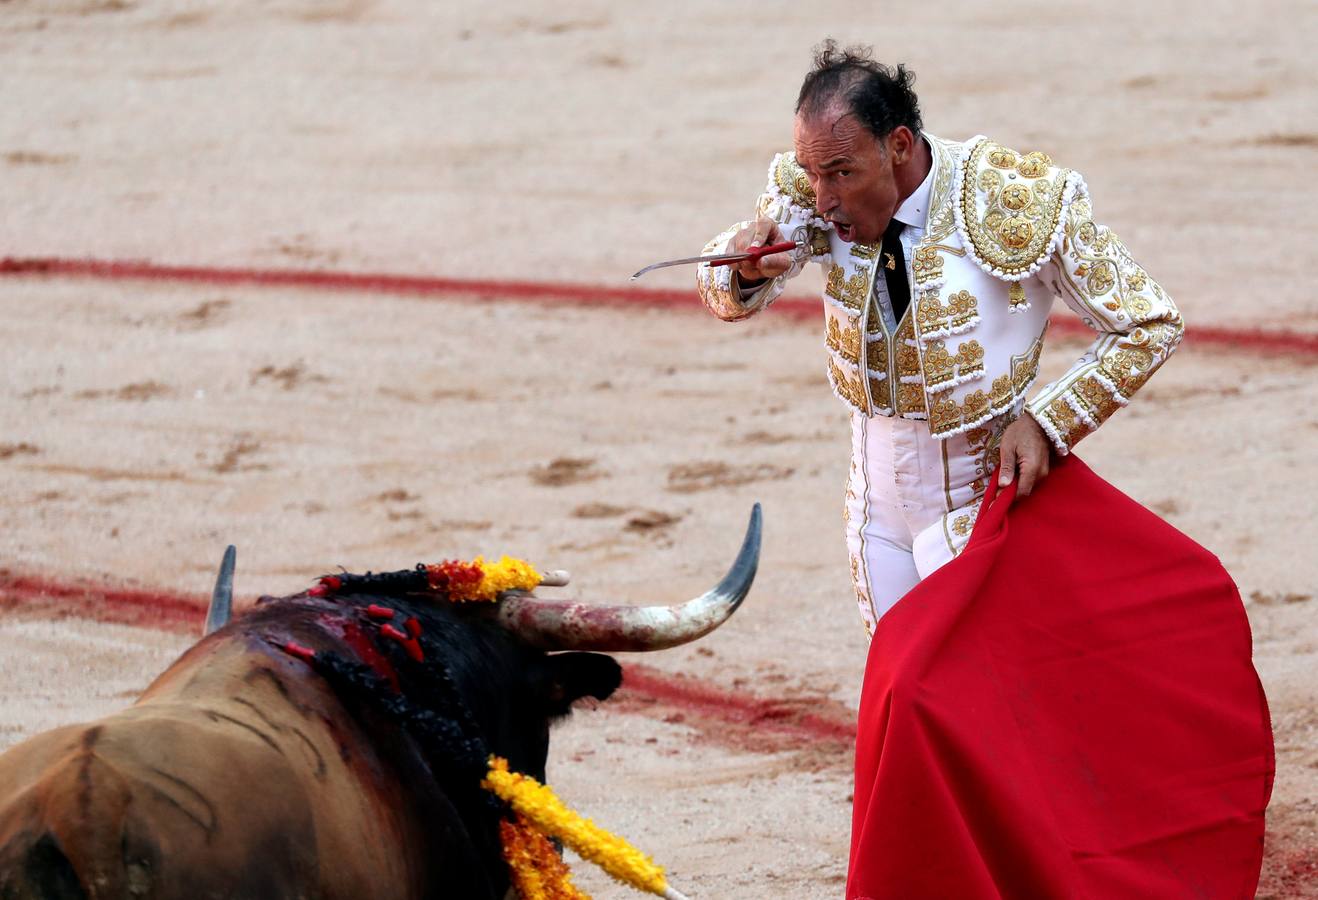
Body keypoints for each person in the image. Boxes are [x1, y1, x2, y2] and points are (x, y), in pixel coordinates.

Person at [696, 41, 1183, 635]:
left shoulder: (1012, 201)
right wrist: (745, 265)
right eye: (812, 173)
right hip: (872, 502)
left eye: (842, 173)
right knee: (899, 679)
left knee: (979, 678)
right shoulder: (813, 189)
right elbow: (725, 286)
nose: (823, 198)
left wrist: (1047, 423)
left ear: (899, 146)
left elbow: (1150, 321)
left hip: (977, 495)